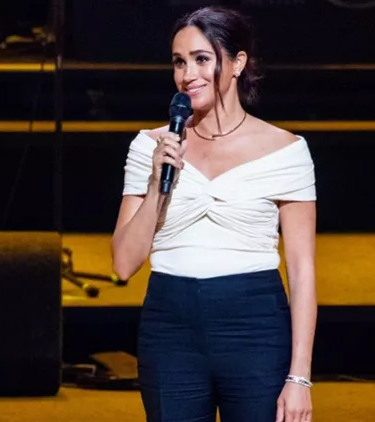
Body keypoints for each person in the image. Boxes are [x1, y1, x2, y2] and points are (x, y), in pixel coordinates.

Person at [111, 6, 317, 422]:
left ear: (238, 63)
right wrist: (156, 184)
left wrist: (300, 376)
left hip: (254, 326)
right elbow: (123, 264)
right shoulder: (150, 146)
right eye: (179, 62)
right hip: (170, 328)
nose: (188, 74)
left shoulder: (286, 151)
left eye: (202, 59)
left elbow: (302, 271)